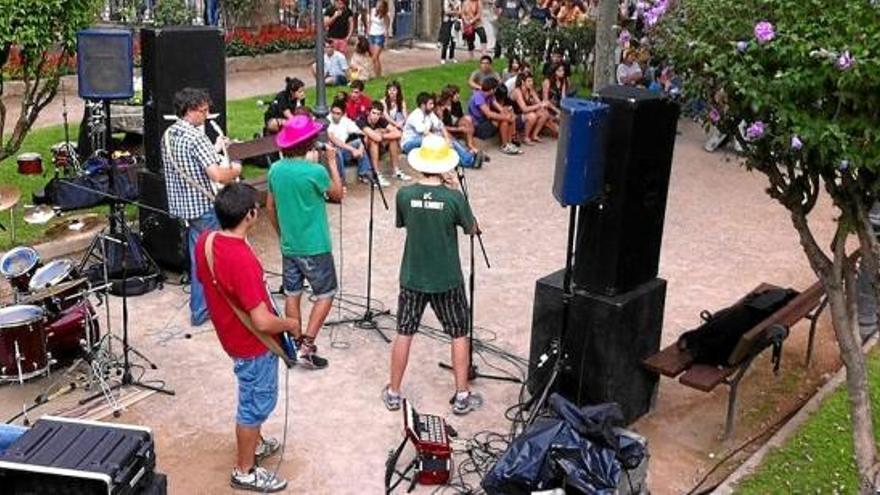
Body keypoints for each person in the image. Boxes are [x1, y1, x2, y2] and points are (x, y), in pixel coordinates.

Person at [194, 183, 294, 493]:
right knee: (254, 404)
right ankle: (245, 470)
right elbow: (263, 321)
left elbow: (208, 282)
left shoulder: (207, 241)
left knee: (252, 395)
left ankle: (256, 444)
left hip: (231, 335)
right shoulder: (243, 260)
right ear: (250, 215)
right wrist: (292, 323)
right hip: (252, 345)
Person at [382, 135, 483, 416]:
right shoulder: (453, 198)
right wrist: (453, 189)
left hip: (413, 275)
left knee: (404, 331)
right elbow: (472, 228)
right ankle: (462, 394)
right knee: (458, 332)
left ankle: (393, 391)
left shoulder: (404, 194)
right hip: (447, 277)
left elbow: (402, 222)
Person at [266, 115, 345, 370]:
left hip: (290, 244)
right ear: (309, 142)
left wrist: (282, 234)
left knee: (292, 292)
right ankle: (307, 346)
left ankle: (294, 340)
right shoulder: (315, 171)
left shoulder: (276, 169)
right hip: (315, 245)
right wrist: (332, 162)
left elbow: (270, 206)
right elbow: (336, 194)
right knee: (326, 293)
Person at [162, 88, 241, 327]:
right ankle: (213, 307)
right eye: (203, 111)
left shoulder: (169, 134)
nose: (206, 115)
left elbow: (190, 165)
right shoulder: (197, 137)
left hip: (183, 206)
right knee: (216, 259)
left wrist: (215, 148)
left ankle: (200, 308)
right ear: (189, 110)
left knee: (199, 259)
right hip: (204, 205)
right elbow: (217, 175)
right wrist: (236, 169)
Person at [402, 92, 480, 168]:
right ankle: (469, 160)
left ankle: (469, 158)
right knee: (439, 143)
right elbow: (425, 132)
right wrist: (440, 140)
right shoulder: (416, 115)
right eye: (430, 104)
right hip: (410, 143)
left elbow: (441, 126)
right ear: (423, 105)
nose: (432, 106)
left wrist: (447, 139)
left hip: (425, 138)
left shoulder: (429, 113)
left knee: (449, 140)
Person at [327, 100, 387, 185]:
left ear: (343, 114)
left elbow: (365, 134)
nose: (335, 116)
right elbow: (333, 139)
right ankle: (340, 182)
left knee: (360, 142)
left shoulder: (346, 122)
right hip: (332, 151)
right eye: (333, 112)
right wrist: (352, 150)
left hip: (344, 150)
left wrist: (360, 149)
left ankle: (365, 174)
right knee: (337, 152)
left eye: (338, 113)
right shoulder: (327, 120)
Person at [357, 101, 410, 181]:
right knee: (373, 140)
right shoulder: (361, 120)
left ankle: (396, 171)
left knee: (393, 140)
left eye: (378, 114)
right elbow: (375, 138)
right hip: (363, 150)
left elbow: (398, 133)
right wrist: (380, 132)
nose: (375, 116)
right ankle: (376, 174)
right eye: (373, 113)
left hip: (378, 147)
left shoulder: (381, 120)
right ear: (368, 112)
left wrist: (382, 133)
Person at [468, 77, 520, 155]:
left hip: (486, 122)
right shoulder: (478, 97)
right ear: (492, 89)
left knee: (507, 115)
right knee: (504, 120)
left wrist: (507, 112)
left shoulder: (490, 96)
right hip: (479, 126)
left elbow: (499, 108)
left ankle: (509, 143)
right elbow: (488, 113)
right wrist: (505, 117)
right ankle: (504, 146)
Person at [511, 72, 552, 144]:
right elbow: (524, 109)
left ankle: (534, 135)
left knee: (545, 113)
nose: (531, 83)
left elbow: (539, 102)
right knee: (532, 115)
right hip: (515, 118)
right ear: (523, 82)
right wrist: (540, 105)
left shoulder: (530, 90)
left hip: (525, 115)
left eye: (532, 81)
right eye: (529, 81)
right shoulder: (517, 91)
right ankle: (526, 137)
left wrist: (543, 104)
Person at [438, 84, 480, 154]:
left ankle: (471, 147)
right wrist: (459, 129)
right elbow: (440, 126)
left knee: (467, 121)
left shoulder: (456, 103)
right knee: (450, 137)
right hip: (444, 130)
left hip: (454, 125)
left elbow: (460, 117)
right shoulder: (440, 108)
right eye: (456, 94)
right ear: (449, 97)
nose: (458, 96)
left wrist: (465, 125)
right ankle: (464, 153)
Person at [367, 0, 391, 76]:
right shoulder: (372, 10)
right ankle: (376, 73)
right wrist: (368, 31)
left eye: (379, 5)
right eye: (377, 4)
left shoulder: (386, 16)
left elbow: (386, 29)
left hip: (379, 36)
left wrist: (386, 41)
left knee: (375, 57)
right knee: (373, 57)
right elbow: (370, 22)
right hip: (371, 35)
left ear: (383, 7)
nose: (377, 6)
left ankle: (378, 75)